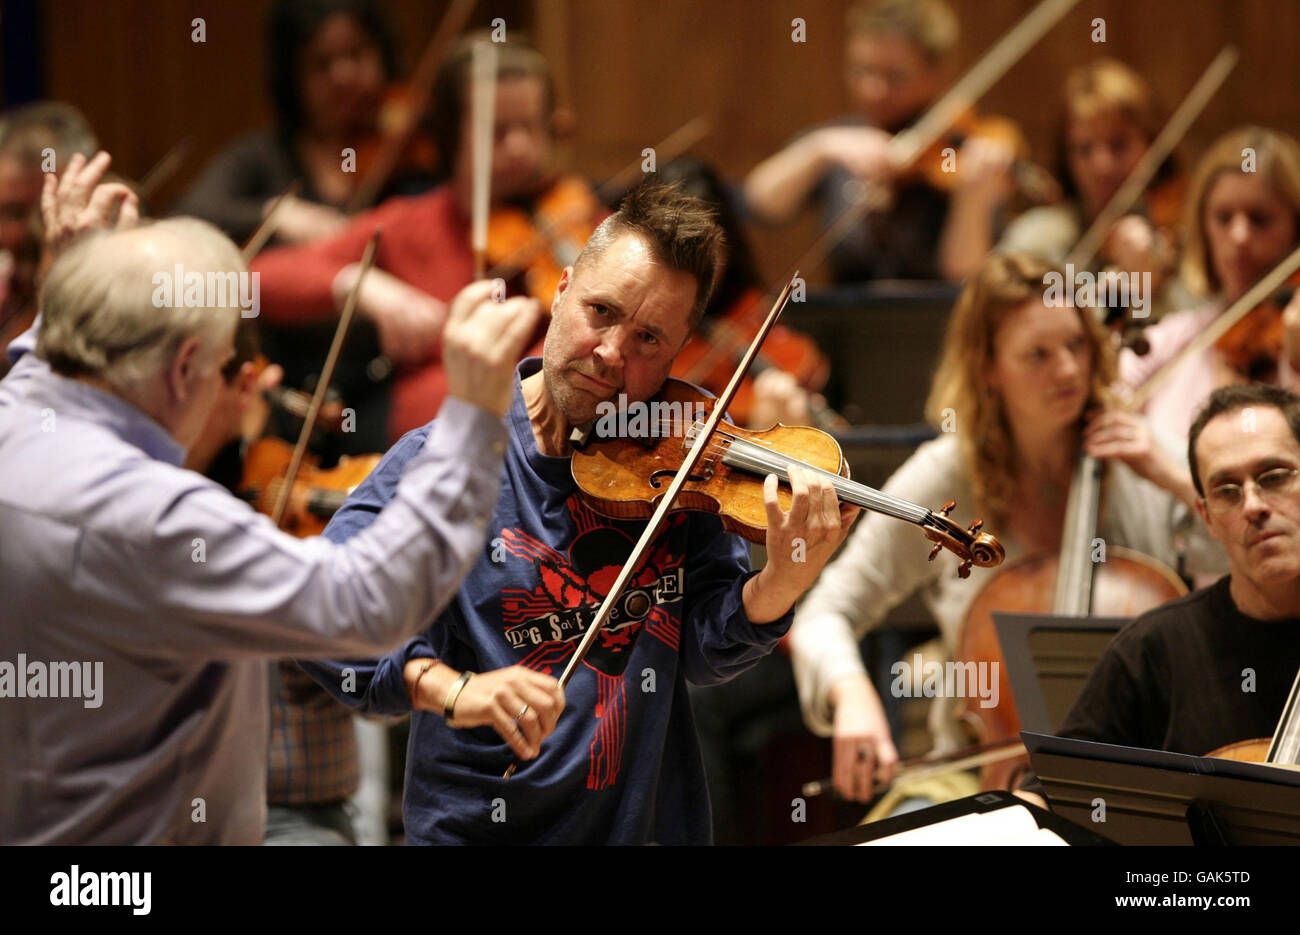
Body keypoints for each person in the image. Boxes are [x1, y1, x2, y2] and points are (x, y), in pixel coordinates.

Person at [0, 152, 543, 844]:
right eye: (229, 360)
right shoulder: (153, 517)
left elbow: (38, 367)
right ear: (187, 367)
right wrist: (469, 414)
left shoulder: (14, 422)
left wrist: (77, 283)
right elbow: (367, 602)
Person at [299, 183, 859, 844]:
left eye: (649, 338)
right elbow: (322, 610)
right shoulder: (448, 459)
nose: (613, 353)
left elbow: (704, 649)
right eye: (601, 311)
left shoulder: (681, 460)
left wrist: (780, 584)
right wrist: (450, 689)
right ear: (560, 291)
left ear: (679, 350)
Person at [788, 251, 1200, 804]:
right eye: (1038, 354)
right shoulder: (950, 473)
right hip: (981, 777)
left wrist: (1178, 479)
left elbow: (1253, 565)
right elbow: (825, 610)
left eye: (1077, 345)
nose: (1070, 371)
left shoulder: (1139, 457)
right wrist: (851, 691)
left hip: (1136, 773)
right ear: (988, 368)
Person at [251, 32, 579, 444]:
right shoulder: (410, 223)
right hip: (429, 454)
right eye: (497, 132)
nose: (519, 147)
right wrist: (358, 283)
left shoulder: (577, 217)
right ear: (451, 135)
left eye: (531, 127)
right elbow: (258, 278)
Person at [1045, 383, 1300, 761]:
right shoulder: (1152, 649)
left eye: (1274, 476)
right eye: (1227, 490)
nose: (1253, 505)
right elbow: (1056, 787)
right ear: (1207, 518)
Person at [743, 0, 1018, 283]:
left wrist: (972, 201)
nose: (872, 89)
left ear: (939, 73)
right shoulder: (841, 141)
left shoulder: (965, 152)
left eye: (895, 76)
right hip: (846, 321)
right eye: (861, 70)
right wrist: (819, 147)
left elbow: (964, 277)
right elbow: (760, 204)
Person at [1120, 127, 1300, 445]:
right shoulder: (1172, 340)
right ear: (1203, 227)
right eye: (1223, 217)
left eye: (1260, 218)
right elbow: (1103, 399)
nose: (1239, 236)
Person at [998, 57, 1187, 314]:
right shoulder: (1037, 239)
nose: (1102, 166)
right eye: (1084, 149)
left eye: (1118, 144)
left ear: (1152, 144)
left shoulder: (1185, 234)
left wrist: (1150, 293)